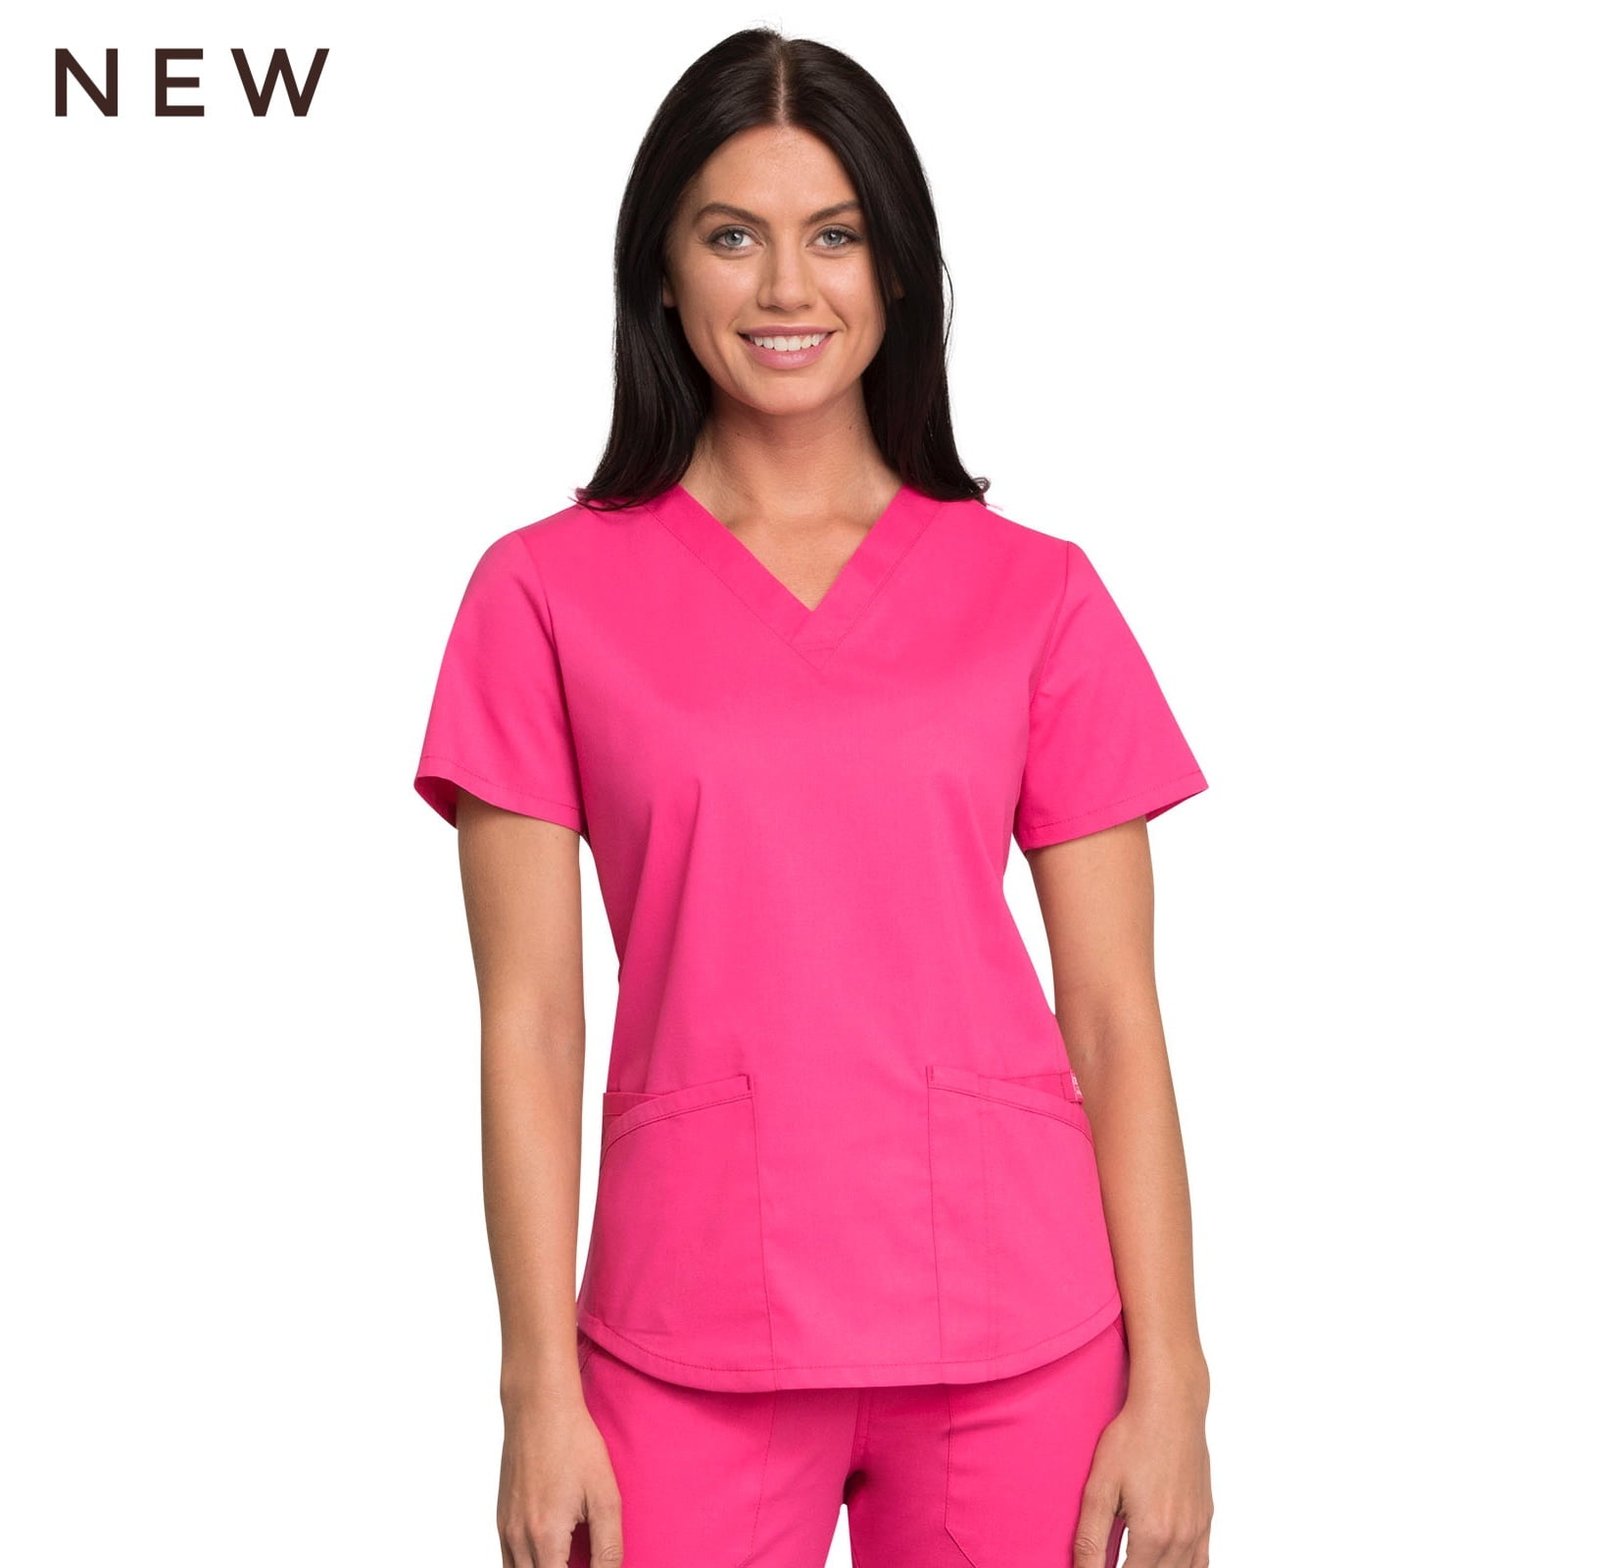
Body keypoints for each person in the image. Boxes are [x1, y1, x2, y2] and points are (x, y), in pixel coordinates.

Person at [412, 26, 1214, 1568]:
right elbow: (532, 1020)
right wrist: (535, 1392)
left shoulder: (1039, 595)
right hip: (682, 1329)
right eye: (733, 237)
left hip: (1019, 1334)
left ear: (895, 269)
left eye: (834, 236)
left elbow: (1116, 1016)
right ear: (662, 272)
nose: (787, 288)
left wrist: (1173, 1379)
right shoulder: (541, 596)